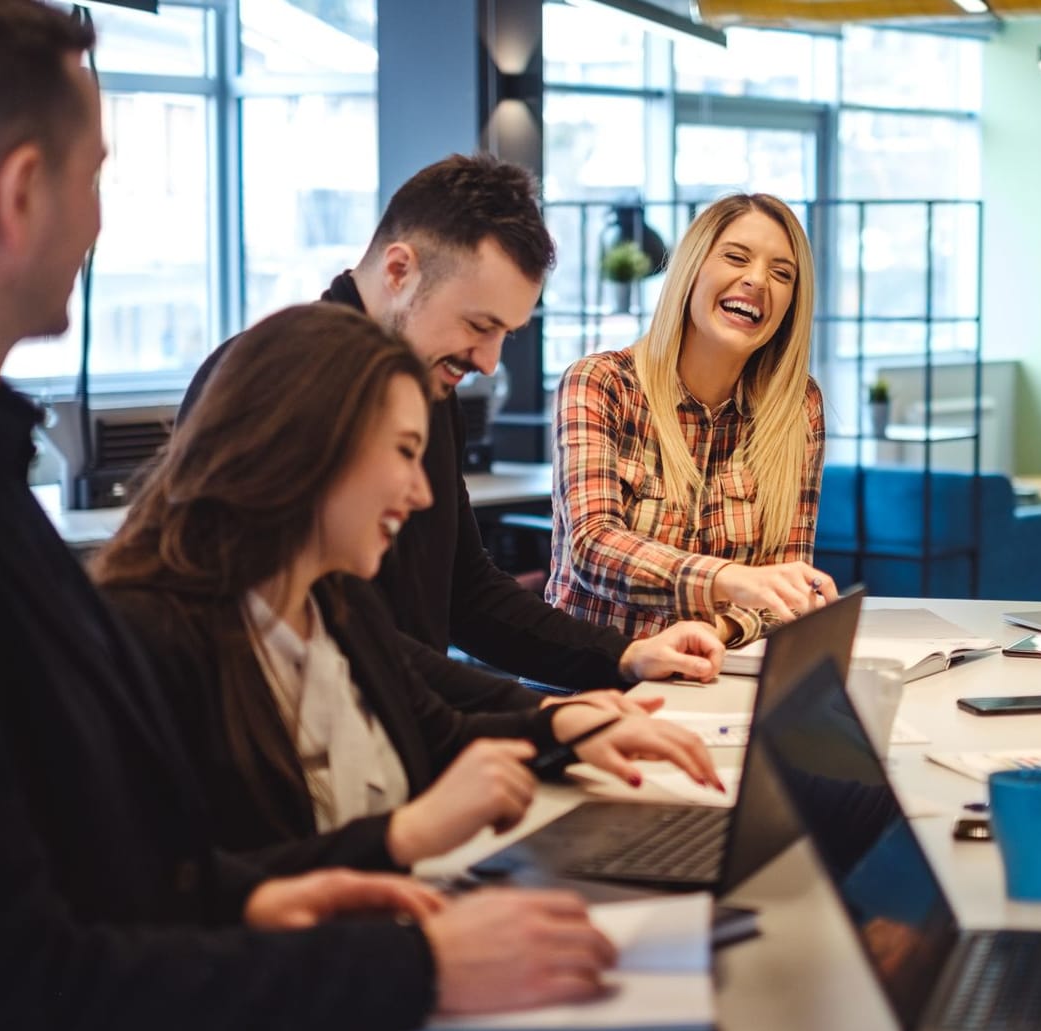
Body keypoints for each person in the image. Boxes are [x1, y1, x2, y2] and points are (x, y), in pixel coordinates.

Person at [0, 3, 614, 1031]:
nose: (101, 221)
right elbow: (13, 993)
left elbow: (70, 859)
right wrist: (421, 969)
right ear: (18, 193)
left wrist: (261, 893)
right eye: (96, 174)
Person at [96, 303, 721, 868]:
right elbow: (181, 894)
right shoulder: (148, 642)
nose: (421, 494)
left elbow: (438, 732)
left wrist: (566, 726)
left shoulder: (334, 607)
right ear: (306, 447)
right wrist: (405, 835)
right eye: (402, 453)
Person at [178, 155, 723, 712]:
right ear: (399, 271)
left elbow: (466, 594)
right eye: (479, 326)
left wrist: (624, 655)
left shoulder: (428, 386)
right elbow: (336, 644)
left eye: (504, 335)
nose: (487, 362)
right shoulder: (269, 384)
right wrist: (540, 718)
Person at [548, 193, 833, 646]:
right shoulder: (602, 383)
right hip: (590, 685)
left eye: (782, 274)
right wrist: (728, 580)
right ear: (691, 270)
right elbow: (593, 548)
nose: (758, 280)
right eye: (736, 257)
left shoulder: (798, 407)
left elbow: (786, 591)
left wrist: (715, 629)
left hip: (713, 679)